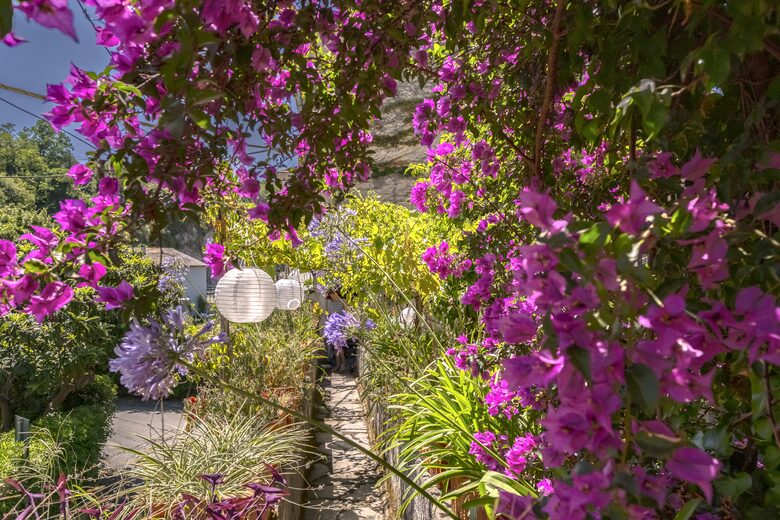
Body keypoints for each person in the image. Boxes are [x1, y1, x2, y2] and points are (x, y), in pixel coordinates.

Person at [324, 288, 347, 371]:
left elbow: (347, 313)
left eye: (332, 294)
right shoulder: (330, 302)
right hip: (333, 325)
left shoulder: (343, 300)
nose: (331, 296)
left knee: (340, 346)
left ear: (336, 293)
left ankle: (343, 365)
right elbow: (330, 314)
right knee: (336, 346)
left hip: (341, 325)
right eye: (329, 295)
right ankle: (338, 365)